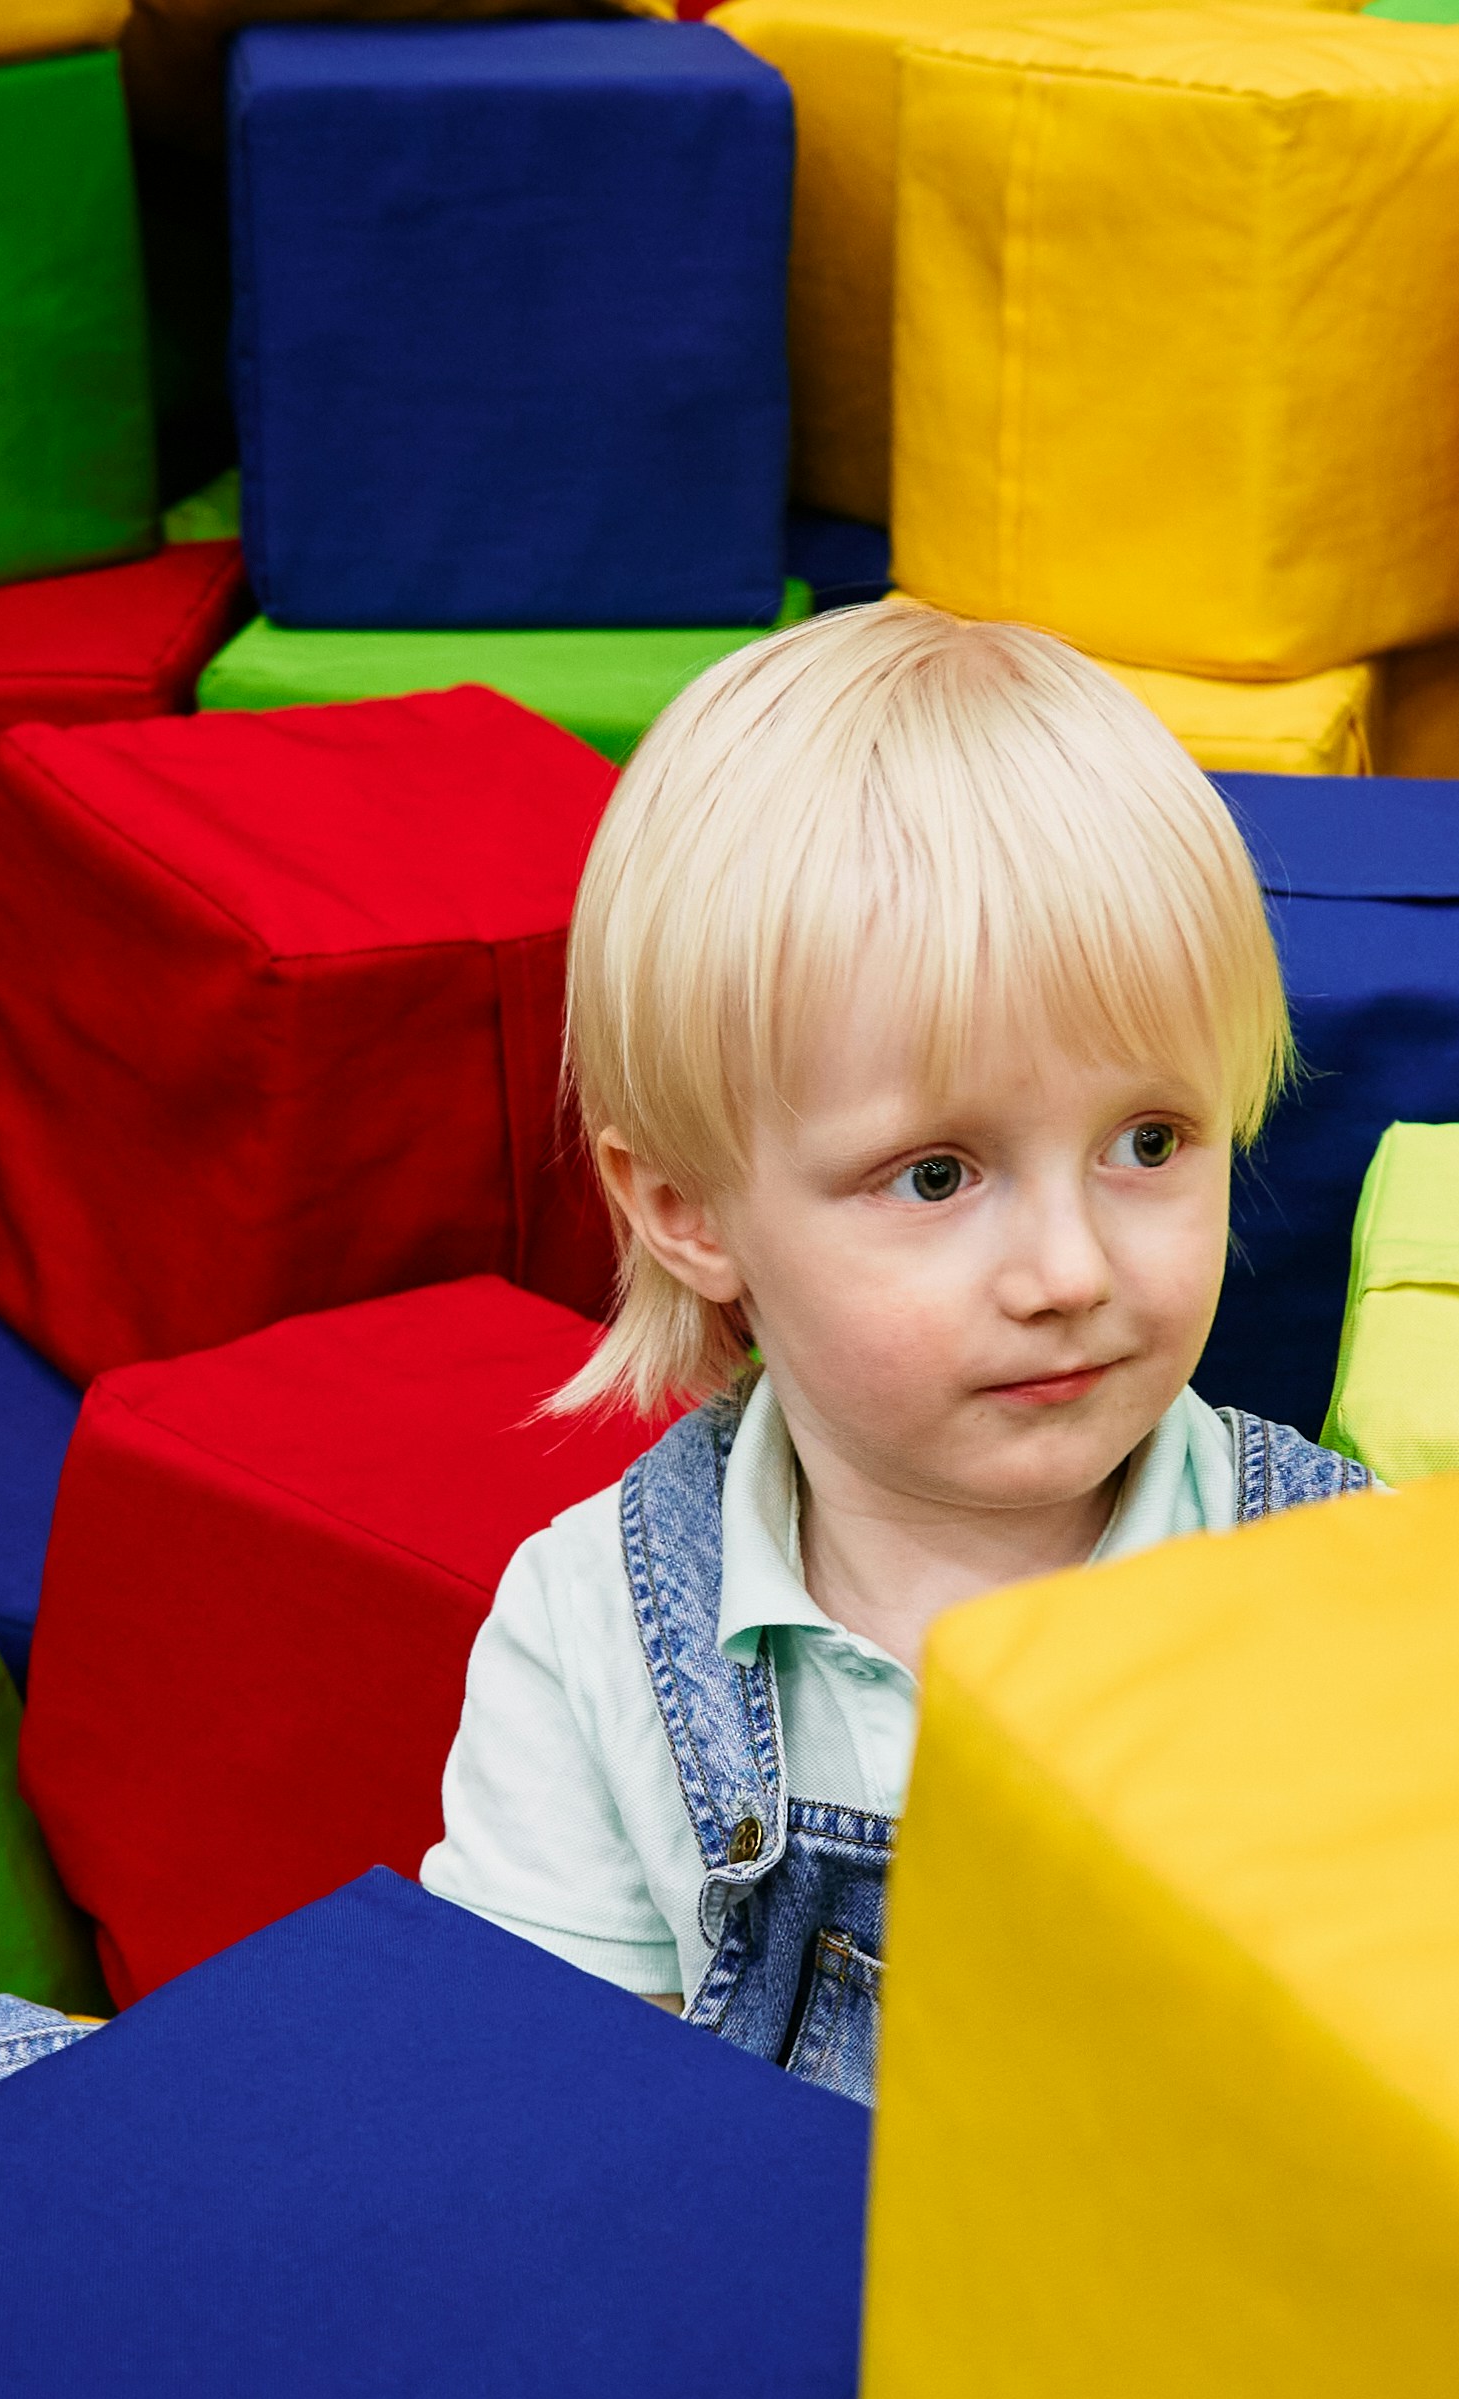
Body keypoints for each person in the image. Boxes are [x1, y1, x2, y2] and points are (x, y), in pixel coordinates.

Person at [422, 600, 1371, 2104]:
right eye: (936, 1176)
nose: (1068, 1272)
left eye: (1148, 1141)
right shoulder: (594, 1627)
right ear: (686, 1211)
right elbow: (542, 2126)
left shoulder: (1352, 1597)